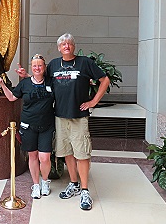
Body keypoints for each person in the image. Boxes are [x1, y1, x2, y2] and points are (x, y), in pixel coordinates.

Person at [17, 33, 110, 210]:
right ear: (59, 48)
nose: (66, 46)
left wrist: (93, 101)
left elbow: (104, 79)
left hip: (79, 116)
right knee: (67, 152)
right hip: (59, 117)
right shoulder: (53, 65)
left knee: (82, 154)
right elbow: (40, 80)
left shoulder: (84, 63)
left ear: (73, 46)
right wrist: (27, 74)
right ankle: (74, 184)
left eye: (69, 43)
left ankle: (84, 190)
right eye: (63, 44)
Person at [0, 54, 54, 199]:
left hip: (46, 125)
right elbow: (11, 98)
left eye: (40, 65)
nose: (37, 68)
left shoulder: (51, 82)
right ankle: (35, 185)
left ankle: (45, 181)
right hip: (28, 126)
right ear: (31, 67)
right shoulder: (25, 83)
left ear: (44, 67)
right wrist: (2, 84)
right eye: (34, 65)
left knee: (45, 157)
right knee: (33, 156)